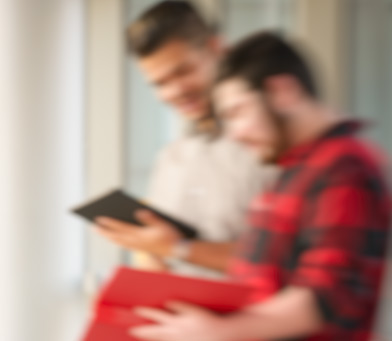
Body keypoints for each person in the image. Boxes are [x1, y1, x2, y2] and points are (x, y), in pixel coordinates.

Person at [130, 31, 390, 341]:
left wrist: (219, 332)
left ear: (283, 92)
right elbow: (255, 279)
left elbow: (324, 295)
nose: (235, 134)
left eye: (237, 113)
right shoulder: (291, 172)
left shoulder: (345, 166)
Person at [94, 1, 276, 278]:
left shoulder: (268, 145)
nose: (175, 92)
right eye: (159, 83)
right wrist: (149, 252)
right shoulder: (171, 157)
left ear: (217, 49)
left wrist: (178, 248)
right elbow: (155, 254)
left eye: (183, 71)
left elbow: (282, 258)